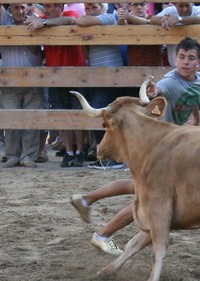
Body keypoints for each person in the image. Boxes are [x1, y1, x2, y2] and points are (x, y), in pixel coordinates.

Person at [71, 37, 200, 255]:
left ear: (198, 62)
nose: (185, 62)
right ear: (175, 58)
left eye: (190, 58)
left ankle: (86, 200)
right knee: (146, 200)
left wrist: (196, 120)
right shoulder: (171, 82)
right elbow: (158, 91)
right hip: (158, 149)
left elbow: (194, 100)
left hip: (173, 148)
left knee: (137, 188)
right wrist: (153, 92)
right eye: (181, 57)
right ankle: (102, 234)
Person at [26, 3, 88, 168]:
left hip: (76, 73)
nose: (47, 9)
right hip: (55, 76)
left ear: (60, 7)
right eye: (47, 6)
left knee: (77, 114)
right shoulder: (43, 19)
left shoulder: (70, 12)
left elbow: (71, 20)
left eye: (52, 6)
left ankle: (80, 151)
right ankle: (69, 152)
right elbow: (30, 20)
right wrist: (33, 17)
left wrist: (44, 23)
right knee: (62, 116)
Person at [0, 3, 44, 168]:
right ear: (11, 10)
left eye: (22, 7)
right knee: (11, 119)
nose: (20, 11)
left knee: (31, 119)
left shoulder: (36, 21)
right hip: (10, 81)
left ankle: (28, 156)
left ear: (28, 7)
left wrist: (35, 20)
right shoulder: (5, 21)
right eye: (16, 8)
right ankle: (12, 155)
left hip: (33, 79)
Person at [76, 2, 125, 170]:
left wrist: (86, 20)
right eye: (87, 8)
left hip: (111, 75)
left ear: (102, 8)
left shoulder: (109, 17)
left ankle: (114, 158)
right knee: (99, 116)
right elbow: (87, 53)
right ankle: (106, 156)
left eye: (93, 7)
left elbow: (81, 22)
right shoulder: (97, 21)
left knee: (101, 114)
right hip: (96, 75)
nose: (90, 11)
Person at [149, 2, 200, 68]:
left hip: (199, 68)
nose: (184, 9)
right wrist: (164, 20)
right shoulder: (170, 10)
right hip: (174, 68)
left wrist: (179, 19)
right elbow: (153, 19)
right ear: (175, 5)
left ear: (192, 3)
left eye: (187, 5)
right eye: (181, 6)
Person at [117, 1, 163, 74]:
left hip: (155, 69)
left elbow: (148, 22)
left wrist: (129, 16)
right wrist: (121, 16)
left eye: (142, 4)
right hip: (134, 69)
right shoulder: (128, 21)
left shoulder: (153, 18)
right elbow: (121, 26)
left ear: (147, 6)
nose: (139, 7)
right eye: (135, 4)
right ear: (130, 7)